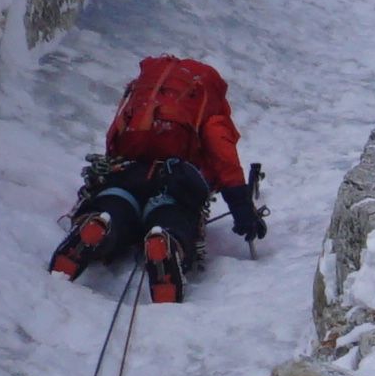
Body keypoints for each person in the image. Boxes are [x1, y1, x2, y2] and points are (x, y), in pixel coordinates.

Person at [49, 55, 268, 301]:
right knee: (171, 212)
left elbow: (115, 136)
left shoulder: (144, 94)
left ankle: (103, 224)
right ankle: (166, 239)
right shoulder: (208, 106)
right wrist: (243, 211)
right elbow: (224, 157)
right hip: (177, 181)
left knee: (118, 202)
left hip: (127, 171)